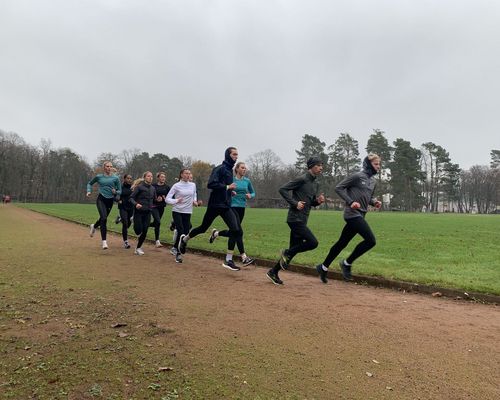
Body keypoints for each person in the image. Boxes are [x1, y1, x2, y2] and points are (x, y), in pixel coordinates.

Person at [315, 154, 382, 284]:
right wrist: (351, 202)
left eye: (379, 164)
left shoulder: (373, 182)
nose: (378, 167)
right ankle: (346, 263)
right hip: (352, 214)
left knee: (342, 242)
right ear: (368, 164)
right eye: (376, 164)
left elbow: (368, 197)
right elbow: (338, 188)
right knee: (371, 240)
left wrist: (374, 202)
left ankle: (323, 267)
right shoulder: (357, 176)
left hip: (361, 214)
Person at [178, 147, 243, 271]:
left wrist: (230, 192)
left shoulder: (230, 170)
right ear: (228, 155)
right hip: (214, 205)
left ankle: (229, 260)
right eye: (234, 154)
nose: (236, 157)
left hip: (225, 206)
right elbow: (211, 184)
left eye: (237, 155)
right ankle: (185, 239)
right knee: (203, 228)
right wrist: (228, 187)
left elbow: (225, 188)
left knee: (235, 230)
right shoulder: (219, 169)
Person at [266, 156, 325, 285]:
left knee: (292, 251)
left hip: (303, 219)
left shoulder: (315, 183)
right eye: (318, 165)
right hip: (295, 219)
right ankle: (285, 253)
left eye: (322, 165)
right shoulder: (302, 179)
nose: (321, 167)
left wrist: (317, 202)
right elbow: (282, 189)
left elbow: (310, 202)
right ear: (311, 166)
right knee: (313, 242)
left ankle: (273, 272)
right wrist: (294, 203)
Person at [210, 161, 256, 266]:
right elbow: (224, 190)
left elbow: (253, 192)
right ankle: (243, 257)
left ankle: (216, 233)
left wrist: (250, 195)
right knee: (238, 232)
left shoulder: (247, 181)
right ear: (237, 169)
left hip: (242, 208)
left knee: (234, 231)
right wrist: (230, 192)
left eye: (245, 168)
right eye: (242, 168)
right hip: (231, 207)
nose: (244, 169)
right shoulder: (232, 180)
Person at [166, 168, 200, 263]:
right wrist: (176, 200)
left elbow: (194, 195)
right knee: (180, 230)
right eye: (186, 173)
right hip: (177, 211)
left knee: (185, 233)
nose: (188, 175)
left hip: (188, 211)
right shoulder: (176, 186)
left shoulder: (193, 185)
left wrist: (194, 201)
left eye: (189, 173)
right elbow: (167, 199)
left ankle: (175, 248)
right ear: (181, 175)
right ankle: (178, 254)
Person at [86, 161, 121, 249]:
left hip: (110, 201)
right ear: (104, 167)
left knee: (102, 218)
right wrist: (89, 191)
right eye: (107, 166)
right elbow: (89, 183)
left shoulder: (116, 178)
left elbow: (120, 191)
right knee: (104, 218)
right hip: (101, 199)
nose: (109, 168)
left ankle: (94, 226)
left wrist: (115, 192)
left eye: (111, 166)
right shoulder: (99, 177)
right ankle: (104, 242)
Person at [129, 171, 156, 255]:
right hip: (138, 212)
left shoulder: (153, 189)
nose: (150, 178)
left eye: (151, 176)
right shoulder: (139, 187)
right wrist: (136, 204)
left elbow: (154, 199)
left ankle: (138, 248)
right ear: (144, 177)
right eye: (148, 176)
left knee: (145, 231)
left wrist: (158, 200)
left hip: (148, 212)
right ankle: (134, 221)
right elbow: (131, 198)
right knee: (138, 231)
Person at [151, 172, 170, 248]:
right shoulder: (153, 186)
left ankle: (144, 226)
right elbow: (149, 195)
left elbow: (171, 196)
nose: (163, 178)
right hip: (153, 206)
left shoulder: (167, 187)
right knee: (158, 222)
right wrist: (156, 199)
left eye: (164, 177)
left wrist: (166, 199)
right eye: (161, 177)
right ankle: (157, 241)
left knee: (156, 223)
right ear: (158, 178)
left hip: (161, 207)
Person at [116, 174, 134, 249]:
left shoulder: (133, 187)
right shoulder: (120, 187)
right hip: (122, 207)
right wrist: (118, 200)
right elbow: (115, 195)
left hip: (131, 207)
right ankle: (126, 242)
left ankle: (120, 219)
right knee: (125, 224)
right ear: (124, 179)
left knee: (128, 224)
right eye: (128, 178)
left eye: (130, 178)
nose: (129, 180)